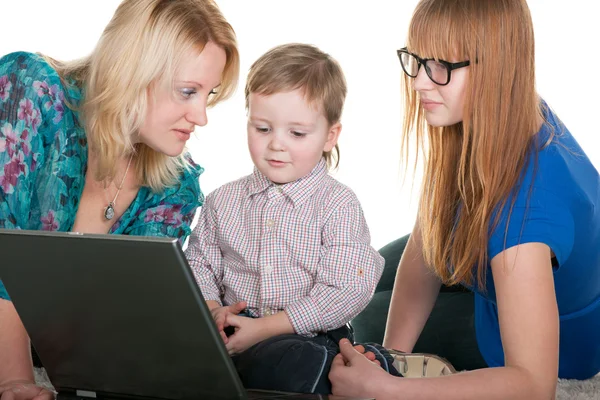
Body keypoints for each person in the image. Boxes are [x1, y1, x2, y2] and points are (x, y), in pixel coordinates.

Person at [328, 0, 600, 398]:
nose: (420, 81)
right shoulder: (501, 108)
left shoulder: (525, 217)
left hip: (560, 335)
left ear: (496, 67)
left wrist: (387, 388)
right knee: (366, 277)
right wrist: (393, 356)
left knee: (361, 322)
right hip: (504, 244)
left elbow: (534, 383)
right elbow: (429, 235)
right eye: (417, 60)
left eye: (441, 66)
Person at [0, 0, 239, 399]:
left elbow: (117, 324)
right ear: (132, 71)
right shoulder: (31, 91)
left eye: (208, 94)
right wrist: (14, 378)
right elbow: (3, 251)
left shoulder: (175, 186)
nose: (201, 116)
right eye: (187, 92)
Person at [185, 43, 386, 394]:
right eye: (263, 129)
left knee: (290, 362)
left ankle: (366, 366)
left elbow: (347, 289)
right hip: (235, 328)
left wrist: (266, 329)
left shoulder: (337, 204)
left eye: (296, 133)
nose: (276, 144)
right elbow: (200, 265)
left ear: (330, 136)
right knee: (181, 355)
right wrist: (214, 310)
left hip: (311, 335)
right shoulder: (223, 201)